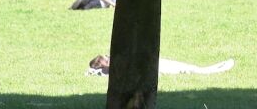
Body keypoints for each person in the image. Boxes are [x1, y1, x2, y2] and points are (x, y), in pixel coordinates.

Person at [86, 54, 234, 76]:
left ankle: (217, 66)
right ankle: (216, 69)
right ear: (103, 65)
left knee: (189, 67)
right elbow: (92, 72)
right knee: (189, 71)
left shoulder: (114, 63)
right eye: (106, 60)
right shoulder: (110, 72)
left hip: (156, 63)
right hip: (156, 67)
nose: (108, 58)